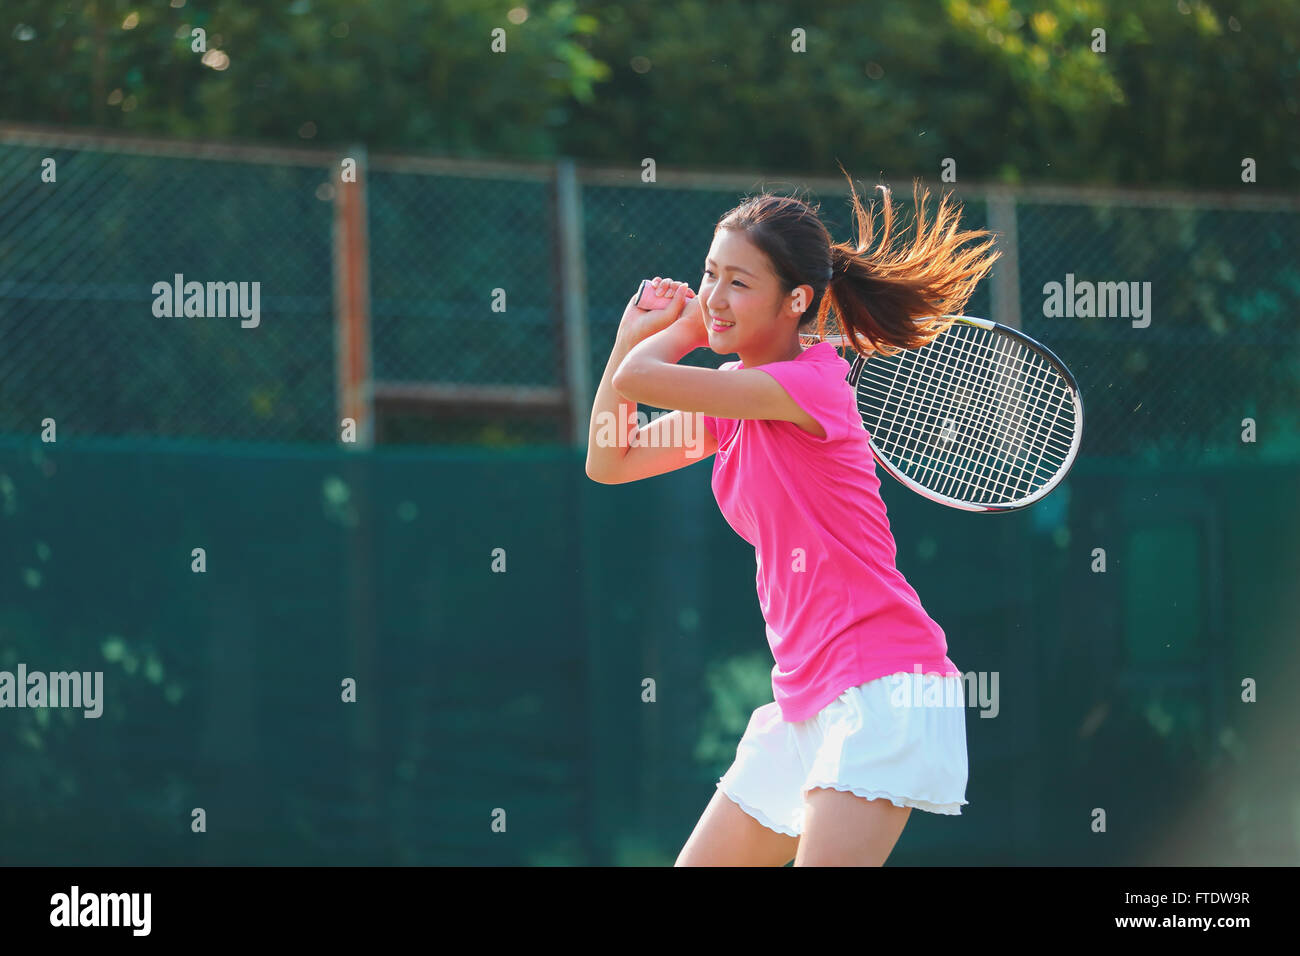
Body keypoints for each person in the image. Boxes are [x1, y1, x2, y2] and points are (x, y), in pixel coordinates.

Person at [585, 169, 1000, 866]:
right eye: (710, 273)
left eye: (738, 283)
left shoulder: (806, 386)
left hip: (883, 688)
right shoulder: (736, 399)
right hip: (804, 700)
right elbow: (610, 458)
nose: (715, 296)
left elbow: (641, 380)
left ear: (796, 300)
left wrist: (675, 330)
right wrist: (628, 338)